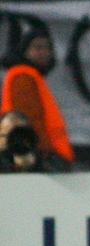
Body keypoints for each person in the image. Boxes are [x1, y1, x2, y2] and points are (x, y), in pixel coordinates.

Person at [0, 28, 73, 167]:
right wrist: (43, 151)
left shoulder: (28, 75)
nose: (44, 53)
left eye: (47, 48)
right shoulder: (23, 76)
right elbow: (29, 118)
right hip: (38, 155)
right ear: (24, 50)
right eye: (38, 47)